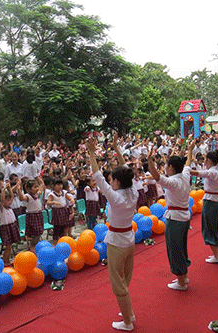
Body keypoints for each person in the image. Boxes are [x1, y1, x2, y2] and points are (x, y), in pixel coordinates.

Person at [88, 135, 137, 332]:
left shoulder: (116, 197)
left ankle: (128, 322)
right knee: (125, 279)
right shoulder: (132, 192)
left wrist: (92, 153)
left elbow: (97, 176)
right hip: (129, 239)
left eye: (112, 180)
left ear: (116, 181)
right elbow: (127, 172)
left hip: (117, 242)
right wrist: (116, 148)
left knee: (118, 284)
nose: (110, 182)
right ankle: (129, 313)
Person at [147, 139, 193, 290]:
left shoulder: (173, 181)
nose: (165, 168)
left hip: (175, 219)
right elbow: (188, 163)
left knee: (175, 249)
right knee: (181, 247)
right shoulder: (185, 175)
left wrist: (149, 161)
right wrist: (190, 149)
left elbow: (157, 177)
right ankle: (183, 277)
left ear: (172, 167)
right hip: (184, 216)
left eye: (167, 166)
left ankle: (181, 281)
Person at [191, 151, 218, 263]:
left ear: (209, 160)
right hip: (217, 201)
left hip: (211, 201)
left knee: (210, 228)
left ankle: (217, 255)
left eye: (206, 159)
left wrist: (186, 170)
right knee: (216, 227)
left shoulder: (212, 172)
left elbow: (199, 173)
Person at [0, 182, 21, 266]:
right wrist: (3, 190)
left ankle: (7, 260)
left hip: (12, 226)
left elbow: (11, 197)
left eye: (9, 200)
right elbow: (2, 200)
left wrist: (9, 189)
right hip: (5, 228)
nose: (8, 201)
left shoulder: (9, 207)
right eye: (6, 200)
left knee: (10, 245)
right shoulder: (1, 208)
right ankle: (5, 260)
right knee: (7, 246)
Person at [18, 180, 44, 246]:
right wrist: (19, 190)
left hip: (38, 215)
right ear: (29, 189)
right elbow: (21, 198)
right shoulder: (28, 196)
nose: (37, 188)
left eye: (37, 186)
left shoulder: (37, 194)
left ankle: (36, 244)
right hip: (32, 216)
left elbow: (42, 187)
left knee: (39, 232)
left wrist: (40, 181)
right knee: (34, 232)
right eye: (34, 187)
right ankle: (32, 245)